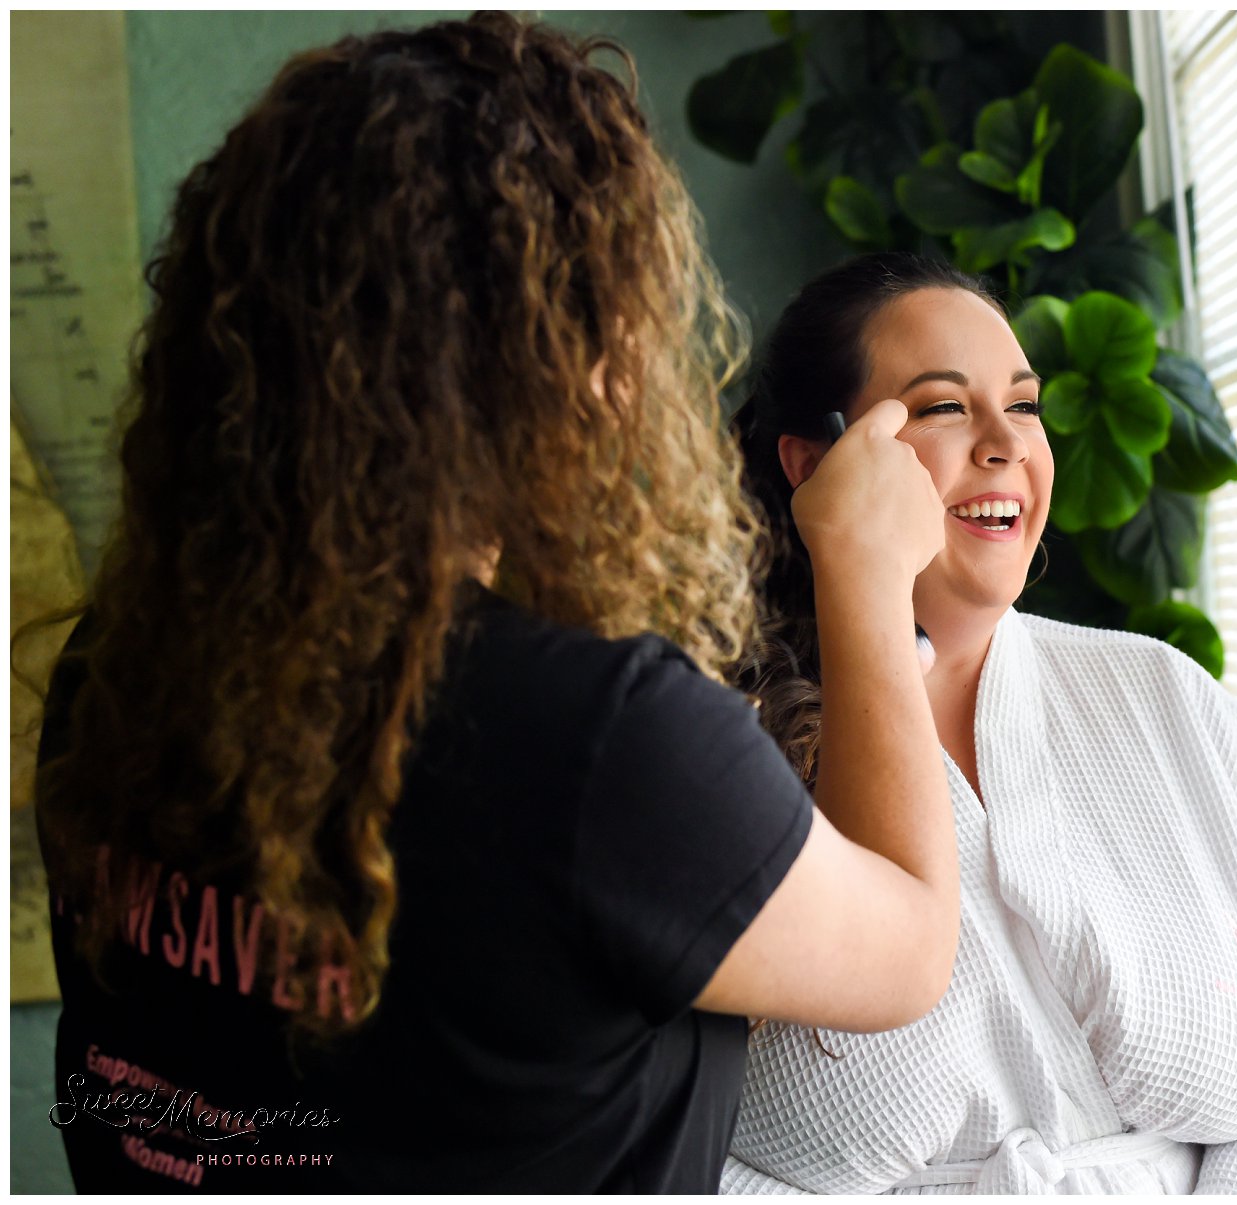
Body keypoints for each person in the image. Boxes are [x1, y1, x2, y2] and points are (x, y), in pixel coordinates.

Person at [33, 16, 961, 1194]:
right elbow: (913, 946)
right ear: (562, 355)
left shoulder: (118, 661)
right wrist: (868, 576)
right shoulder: (599, 740)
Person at [725, 252, 1237, 1194]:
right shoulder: (724, 759)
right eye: (944, 406)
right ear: (817, 464)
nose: (1005, 444)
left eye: (1022, 406)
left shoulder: (1155, 696)